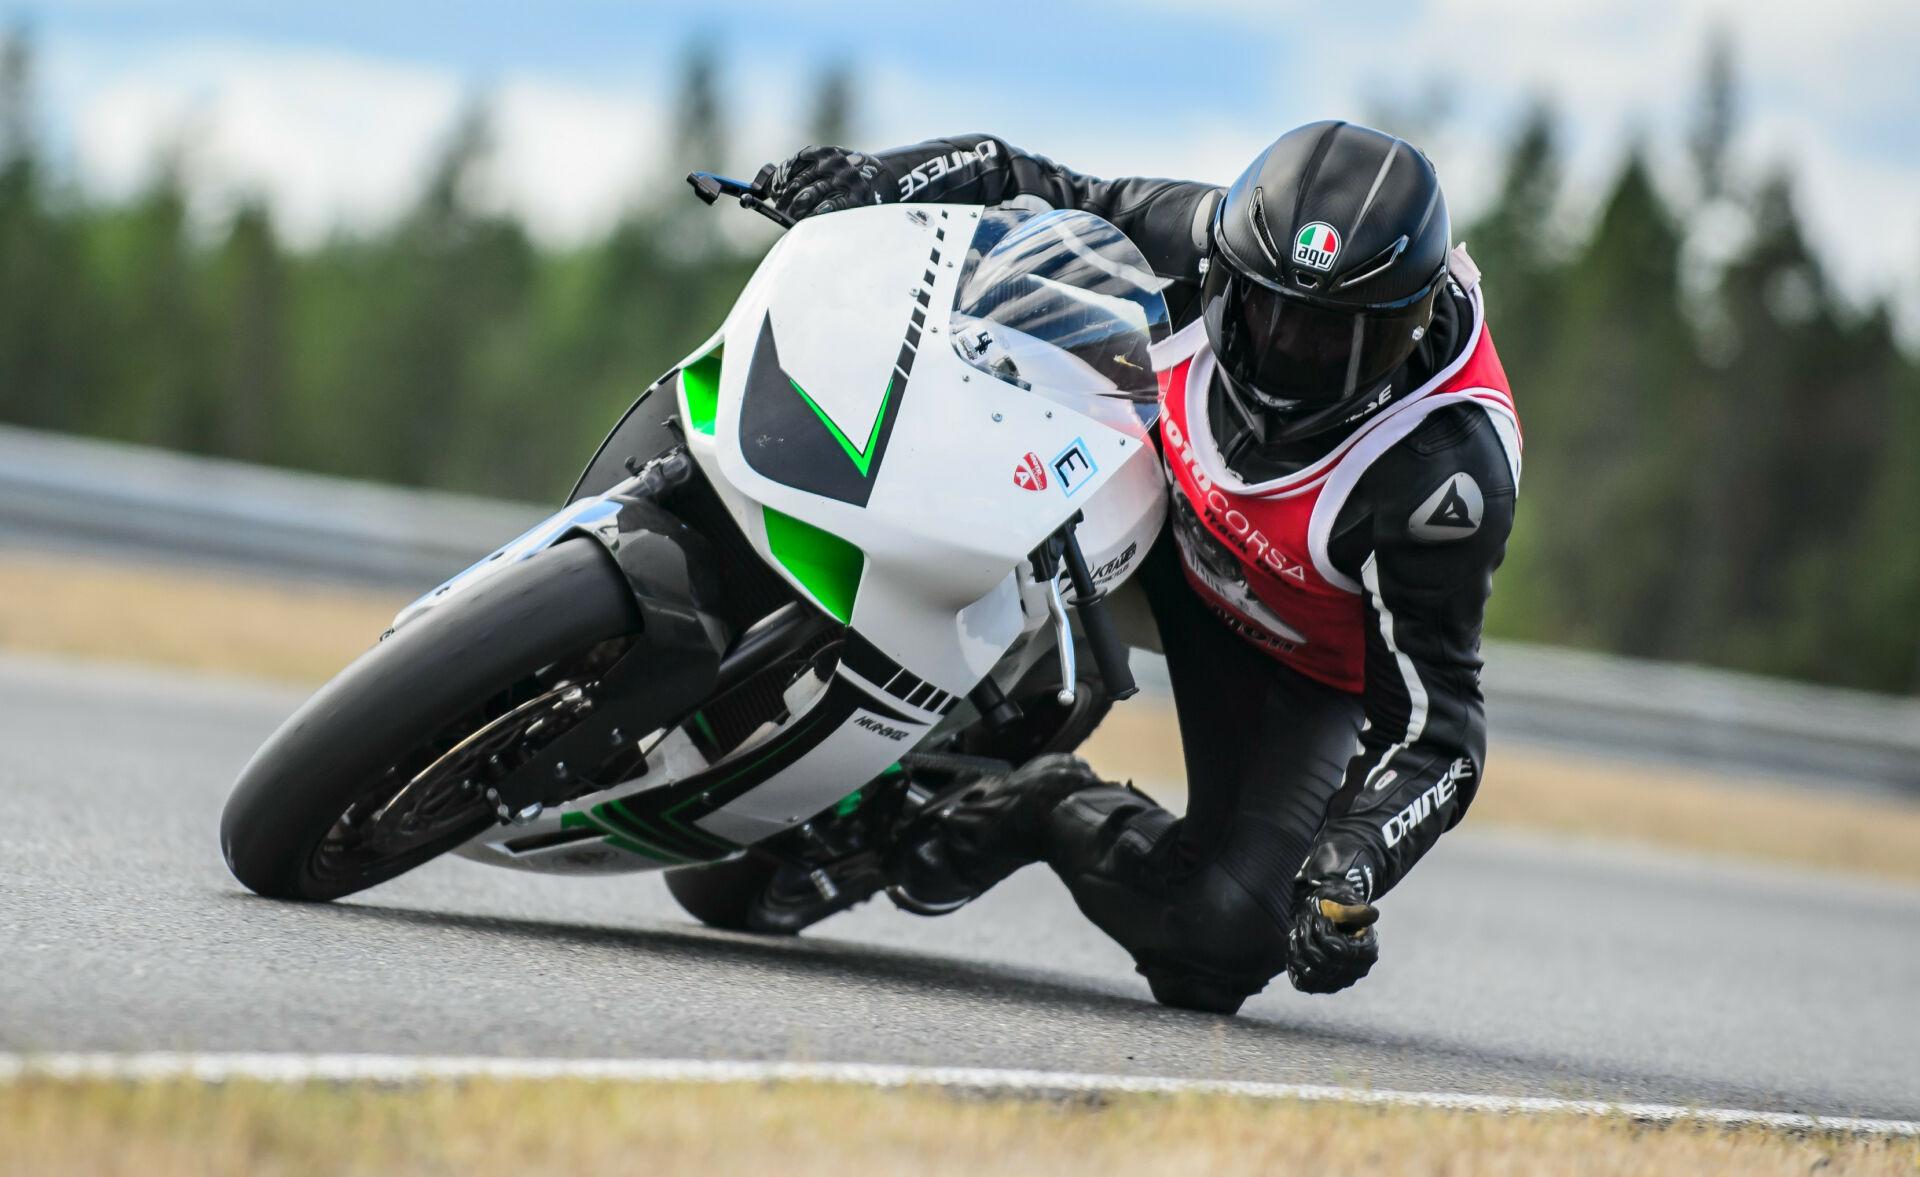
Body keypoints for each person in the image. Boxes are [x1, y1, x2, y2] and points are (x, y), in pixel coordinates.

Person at [755, 122, 1521, 1015]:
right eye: (1264, 311)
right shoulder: (1209, 236)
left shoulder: (1443, 470)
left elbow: (1440, 735)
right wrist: (873, 178)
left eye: (1330, 343)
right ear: (1230, 264)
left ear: (1410, 332)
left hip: (1289, 654)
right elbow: (1025, 177)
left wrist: (1354, 859)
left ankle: (1033, 804)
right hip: (1136, 510)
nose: (1283, 357)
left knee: (1225, 938)